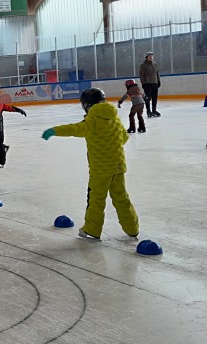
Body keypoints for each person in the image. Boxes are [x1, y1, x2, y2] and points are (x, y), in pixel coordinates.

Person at [42, 88, 139, 241]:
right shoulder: (114, 118)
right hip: (118, 167)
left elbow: (74, 129)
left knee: (96, 199)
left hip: (100, 170)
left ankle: (92, 230)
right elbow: (124, 138)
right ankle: (132, 228)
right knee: (122, 198)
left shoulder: (92, 120)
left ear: (87, 105)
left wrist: (54, 130)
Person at [139, 52, 161, 118]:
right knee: (147, 98)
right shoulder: (143, 65)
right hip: (147, 84)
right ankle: (148, 111)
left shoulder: (155, 65)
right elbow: (141, 75)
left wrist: (158, 81)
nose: (151, 58)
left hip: (154, 83)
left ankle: (154, 110)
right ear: (146, 58)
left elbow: (157, 73)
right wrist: (143, 83)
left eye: (152, 56)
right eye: (149, 57)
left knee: (155, 97)